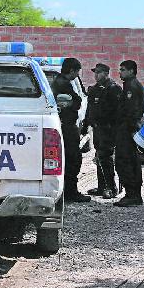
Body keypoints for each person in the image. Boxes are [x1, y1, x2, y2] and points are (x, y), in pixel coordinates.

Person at [50, 58, 91, 203]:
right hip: (66, 126)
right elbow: (76, 101)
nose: (77, 74)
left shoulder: (59, 82)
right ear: (72, 70)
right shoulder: (63, 84)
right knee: (73, 159)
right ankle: (70, 192)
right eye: (77, 71)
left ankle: (67, 190)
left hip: (66, 125)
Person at [82, 63, 123, 199]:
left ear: (106, 73)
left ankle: (111, 187)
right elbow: (90, 108)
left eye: (99, 72)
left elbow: (118, 111)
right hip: (97, 128)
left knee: (106, 157)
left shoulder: (113, 88)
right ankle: (101, 187)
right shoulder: (94, 89)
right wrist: (85, 124)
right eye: (95, 72)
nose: (96, 75)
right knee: (99, 157)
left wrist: (115, 128)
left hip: (108, 128)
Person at [114, 59, 144, 207]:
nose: (120, 72)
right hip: (127, 128)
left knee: (125, 160)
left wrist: (128, 128)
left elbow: (131, 111)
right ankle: (132, 193)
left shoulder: (132, 87)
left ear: (131, 71)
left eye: (123, 70)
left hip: (128, 129)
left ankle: (132, 194)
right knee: (129, 160)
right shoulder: (130, 85)